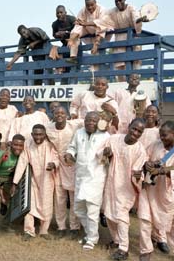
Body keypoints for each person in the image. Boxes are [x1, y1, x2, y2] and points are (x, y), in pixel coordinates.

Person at [138, 121, 174, 261]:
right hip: (149, 189)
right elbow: (144, 157)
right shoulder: (155, 144)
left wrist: (160, 171)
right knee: (145, 220)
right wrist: (147, 164)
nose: (162, 138)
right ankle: (145, 251)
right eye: (160, 135)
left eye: (165, 135)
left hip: (165, 193)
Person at [101, 118, 147, 260]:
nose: (136, 133)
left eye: (139, 131)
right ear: (129, 127)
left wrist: (138, 175)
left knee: (121, 216)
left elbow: (138, 171)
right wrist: (106, 153)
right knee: (108, 213)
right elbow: (101, 154)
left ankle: (123, 248)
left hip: (126, 187)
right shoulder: (114, 139)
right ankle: (116, 240)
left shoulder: (140, 150)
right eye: (134, 129)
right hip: (110, 183)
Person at [64, 111, 110, 250]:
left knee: (92, 210)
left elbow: (109, 153)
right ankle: (90, 232)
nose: (90, 123)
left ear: (99, 122)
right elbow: (72, 147)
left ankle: (91, 239)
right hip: (80, 176)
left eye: (94, 121)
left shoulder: (105, 136)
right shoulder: (79, 133)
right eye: (88, 120)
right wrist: (69, 154)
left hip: (96, 177)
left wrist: (108, 153)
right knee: (78, 209)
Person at [11, 124, 59, 241]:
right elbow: (22, 162)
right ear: (32, 134)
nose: (38, 137)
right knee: (29, 205)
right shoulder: (28, 145)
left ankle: (44, 231)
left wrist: (53, 164)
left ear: (45, 134)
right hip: (32, 180)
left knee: (46, 206)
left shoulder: (50, 146)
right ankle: (29, 231)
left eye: (40, 134)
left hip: (47, 180)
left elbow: (56, 158)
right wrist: (15, 183)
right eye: (35, 134)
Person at [46, 107, 83, 240]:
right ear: (53, 115)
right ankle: (61, 226)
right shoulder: (48, 128)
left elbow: (91, 120)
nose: (60, 115)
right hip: (56, 165)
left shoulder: (74, 124)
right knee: (59, 198)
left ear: (67, 115)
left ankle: (74, 227)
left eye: (62, 113)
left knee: (73, 198)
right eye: (57, 113)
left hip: (72, 164)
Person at [94, 0, 149, 80]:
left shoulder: (131, 8)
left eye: (120, 0)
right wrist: (88, 24)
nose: (118, 3)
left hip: (133, 37)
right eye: (116, 1)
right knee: (119, 64)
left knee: (135, 62)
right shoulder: (112, 11)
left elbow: (136, 18)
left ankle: (135, 81)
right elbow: (102, 21)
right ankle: (121, 83)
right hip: (119, 39)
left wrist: (140, 20)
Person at [66, 0, 105, 64]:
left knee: (101, 26)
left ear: (96, 2)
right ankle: (73, 57)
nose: (90, 7)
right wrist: (72, 38)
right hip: (89, 32)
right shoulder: (83, 10)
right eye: (87, 5)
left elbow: (101, 24)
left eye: (92, 5)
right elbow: (78, 25)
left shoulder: (102, 9)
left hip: (101, 35)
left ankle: (96, 44)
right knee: (77, 27)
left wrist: (96, 44)